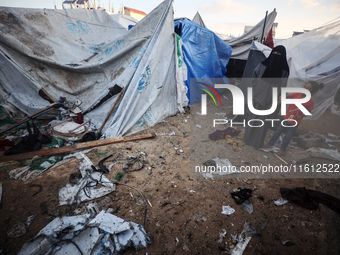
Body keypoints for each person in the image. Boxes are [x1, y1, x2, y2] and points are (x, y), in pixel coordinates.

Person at [244, 45, 290, 149]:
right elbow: (254, 75)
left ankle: (257, 142)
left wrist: (274, 101)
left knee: (263, 122)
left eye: (279, 54)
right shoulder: (263, 65)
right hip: (256, 96)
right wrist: (255, 86)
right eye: (275, 53)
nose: (276, 55)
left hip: (269, 100)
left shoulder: (284, 71)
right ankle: (247, 139)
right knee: (252, 118)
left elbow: (282, 88)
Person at [262, 81, 324, 156]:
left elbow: (308, 111)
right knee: (278, 132)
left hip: (295, 122)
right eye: (305, 87)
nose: (305, 89)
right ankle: (270, 144)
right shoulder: (297, 94)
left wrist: (302, 116)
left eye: (308, 88)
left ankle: (282, 149)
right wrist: (278, 101)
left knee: (288, 136)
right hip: (286, 118)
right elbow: (285, 96)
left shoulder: (310, 102)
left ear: (312, 92)